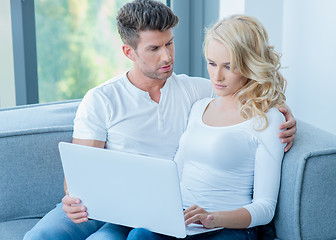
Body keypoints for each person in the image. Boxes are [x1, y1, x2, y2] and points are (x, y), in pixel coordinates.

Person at [24, 1, 296, 240]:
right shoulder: (102, 99)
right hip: (102, 202)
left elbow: (245, 91)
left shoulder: (195, 91)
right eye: (154, 48)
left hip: (157, 210)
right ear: (129, 52)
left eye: (170, 43)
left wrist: (283, 112)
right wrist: (72, 197)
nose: (167, 57)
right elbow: (80, 173)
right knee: (40, 236)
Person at [125, 14, 287, 240]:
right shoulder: (199, 107)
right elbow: (174, 174)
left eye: (229, 66)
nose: (217, 76)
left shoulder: (268, 119)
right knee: (138, 236)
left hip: (226, 227)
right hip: (180, 223)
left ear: (250, 65)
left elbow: (265, 207)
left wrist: (213, 217)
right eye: (211, 64)